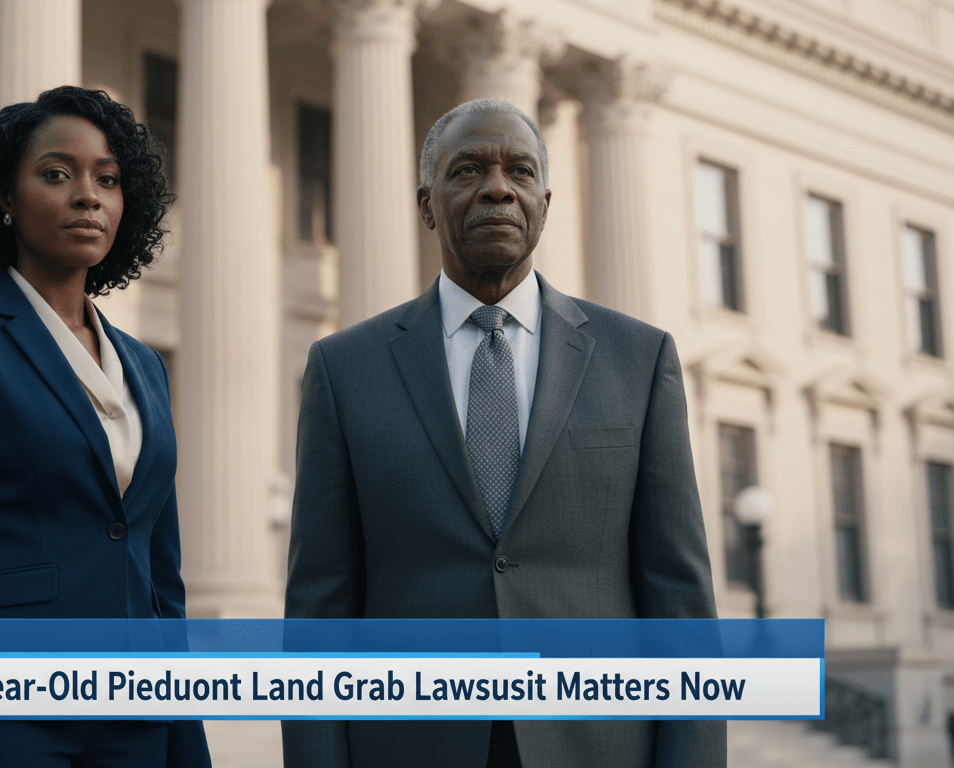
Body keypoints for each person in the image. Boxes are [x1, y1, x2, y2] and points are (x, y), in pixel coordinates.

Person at [282, 98, 723, 768]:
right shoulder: (344, 369)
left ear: (545, 203)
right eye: (468, 171)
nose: (497, 187)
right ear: (427, 204)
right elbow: (319, 606)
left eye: (519, 170)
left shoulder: (640, 360)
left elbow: (680, 600)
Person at [0, 86, 210, 768]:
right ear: (5, 196)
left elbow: (160, 581)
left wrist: (186, 742)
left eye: (108, 179)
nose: (88, 195)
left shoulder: (145, 366)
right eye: (57, 173)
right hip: (5, 722)